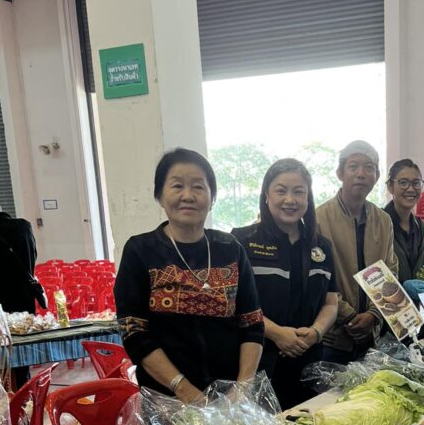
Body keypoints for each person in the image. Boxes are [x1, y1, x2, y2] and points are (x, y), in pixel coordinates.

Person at [114, 148, 264, 402]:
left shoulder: (230, 249)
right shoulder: (141, 250)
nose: (188, 196)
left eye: (198, 187)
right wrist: (185, 391)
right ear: (160, 195)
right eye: (177, 186)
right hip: (167, 400)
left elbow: (252, 323)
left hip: (229, 398)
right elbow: (134, 332)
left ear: (212, 197)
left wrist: (242, 387)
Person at [232, 159, 338, 410]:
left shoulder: (321, 246)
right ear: (266, 195)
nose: (290, 200)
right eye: (281, 191)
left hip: (310, 362)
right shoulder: (241, 241)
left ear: (308, 198)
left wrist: (316, 332)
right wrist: (278, 334)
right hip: (259, 364)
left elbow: (331, 302)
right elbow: (233, 303)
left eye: (298, 192)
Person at [317, 140, 398, 363]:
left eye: (369, 167)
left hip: (372, 336)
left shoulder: (384, 220)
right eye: (353, 166)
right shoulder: (319, 218)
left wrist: (374, 314)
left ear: (377, 176)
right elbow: (317, 280)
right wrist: (351, 317)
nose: (361, 174)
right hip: (333, 338)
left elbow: (390, 271)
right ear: (340, 173)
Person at [383, 158, 424, 301]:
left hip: (415, 311)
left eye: (416, 183)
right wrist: (402, 288)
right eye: (403, 182)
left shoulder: (422, 229)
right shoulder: (378, 225)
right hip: (386, 309)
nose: (411, 189)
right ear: (390, 187)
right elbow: (370, 275)